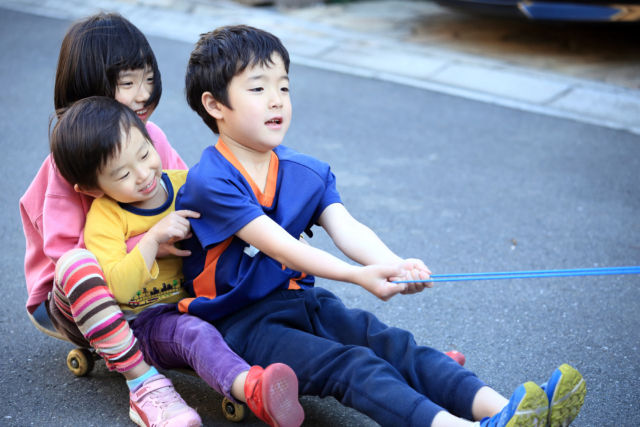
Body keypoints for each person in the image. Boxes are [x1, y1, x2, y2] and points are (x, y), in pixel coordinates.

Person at [176, 25, 587, 427]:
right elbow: (282, 247)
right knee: (353, 364)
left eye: (283, 87)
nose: (276, 101)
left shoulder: (303, 171)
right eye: (258, 88)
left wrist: (394, 264)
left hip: (301, 301)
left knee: (393, 345)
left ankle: (504, 410)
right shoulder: (211, 180)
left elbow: (348, 227)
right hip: (241, 324)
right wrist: (359, 276)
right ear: (215, 105)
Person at [20, 12, 303, 427]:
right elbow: (69, 254)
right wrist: (150, 240)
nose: (142, 94)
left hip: (158, 290)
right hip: (85, 302)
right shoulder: (69, 167)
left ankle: (284, 354)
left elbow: (194, 197)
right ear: (89, 88)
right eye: (127, 82)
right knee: (77, 265)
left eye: (148, 79)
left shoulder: (152, 138)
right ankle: (143, 384)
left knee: (229, 267)